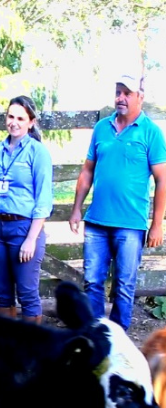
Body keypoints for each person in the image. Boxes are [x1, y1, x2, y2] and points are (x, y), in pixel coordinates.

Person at [68, 73, 166, 331]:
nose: (120, 98)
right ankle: (95, 335)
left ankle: (118, 340)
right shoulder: (102, 128)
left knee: (124, 286)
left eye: (127, 93)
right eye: (118, 92)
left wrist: (157, 225)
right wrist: (77, 208)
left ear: (140, 98)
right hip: (97, 221)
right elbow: (87, 170)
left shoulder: (151, 133)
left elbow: (162, 180)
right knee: (92, 282)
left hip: (130, 224)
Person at [0, 95, 53, 324]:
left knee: (27, 293)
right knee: (2, 294)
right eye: (10, 116)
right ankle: (6, 349)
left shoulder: (38, 152)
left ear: (31, 122)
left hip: (24, 228)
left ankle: (32, 351)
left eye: (20, 118)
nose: (14, 122)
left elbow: (43, 201)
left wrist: (31, 239)